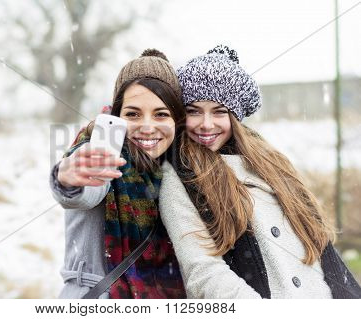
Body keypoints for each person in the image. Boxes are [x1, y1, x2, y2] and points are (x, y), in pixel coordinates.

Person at [159, 45, 361, 298]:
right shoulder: (180, 175)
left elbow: (319, 245)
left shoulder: (273, 164)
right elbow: (203, 272)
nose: (206, 124)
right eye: (194, 111)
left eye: (219, 111)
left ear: (235, 116)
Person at [50, 49, 187, 298]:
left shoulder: (180, 169)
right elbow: (88, 187)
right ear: (116, 115)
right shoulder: (100, 151)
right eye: (133, 114)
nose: (147, 127)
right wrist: (68, 178)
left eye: (161, 114)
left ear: (177, 120)